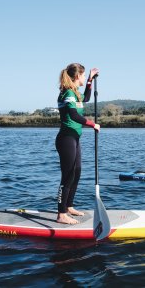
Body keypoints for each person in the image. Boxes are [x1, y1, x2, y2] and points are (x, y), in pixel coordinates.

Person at [56, 63, 100, 224]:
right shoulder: (68, 93)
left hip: (75, 138)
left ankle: (69, 206)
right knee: (67, 176)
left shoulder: (75, 93)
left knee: (77, 172)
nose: (82, 78)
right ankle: (61, 214)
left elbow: (87, 98)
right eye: (82, 76)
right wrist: (92, 124)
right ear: (76, 77)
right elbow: (73, 114)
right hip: (66, 138)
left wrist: (89, 80)